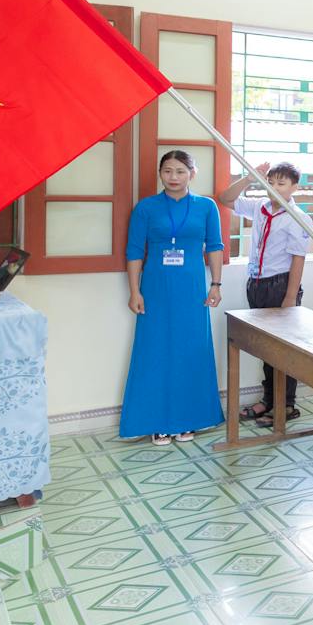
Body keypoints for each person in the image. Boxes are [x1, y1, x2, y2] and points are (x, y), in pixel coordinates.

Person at [121, 150, 224, 444]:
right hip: (155, 289)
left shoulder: (206, 207)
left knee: (192, 349)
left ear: (193, 173)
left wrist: (215, 284)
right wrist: (134, 291)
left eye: (180, 171)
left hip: (192, 289)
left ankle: (190, 418)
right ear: (160, 173)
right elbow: (133, 252)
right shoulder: (146, 208)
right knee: (155, 350)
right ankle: (157, 420)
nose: (173, 177)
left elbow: (215, 246)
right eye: (167, 171)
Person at [218, 162, 313, 422]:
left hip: (280, 286)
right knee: (266, 349)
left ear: (295, 187)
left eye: (281, 183)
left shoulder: (298, 218)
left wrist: (290, 297)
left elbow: (298, 259)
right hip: (257, 284)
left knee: (284, 349)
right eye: (270, 182)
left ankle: (286, 405)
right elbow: (225, 198)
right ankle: (269, 400)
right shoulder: (259, 207)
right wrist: (248, 179)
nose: (274, 188)